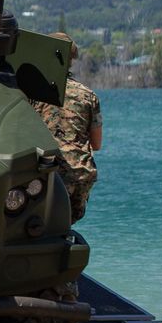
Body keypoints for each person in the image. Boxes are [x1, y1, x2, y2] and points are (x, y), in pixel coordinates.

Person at [34, 33, 102, 222]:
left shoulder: (35, 92)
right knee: (65, 228)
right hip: (80, 175)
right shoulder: (88, 96)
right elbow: (96, 144)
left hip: (49, 176)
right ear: (72, 59)